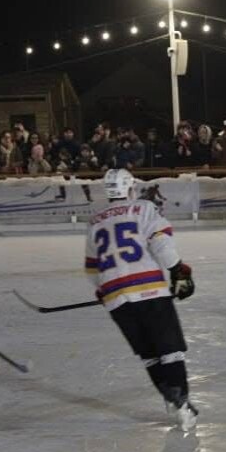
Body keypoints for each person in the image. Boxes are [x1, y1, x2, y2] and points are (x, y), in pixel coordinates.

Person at [86, 168, 199, 431]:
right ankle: (181, 403)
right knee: (170, 350)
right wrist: (178, 270)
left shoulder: (95, 221)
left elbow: (93, 268)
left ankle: (170, 400)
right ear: (129, 188)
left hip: (116, 297)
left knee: (149, 355)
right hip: (149, 290)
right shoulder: (144, 208)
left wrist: (103, 291)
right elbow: (160, 242)